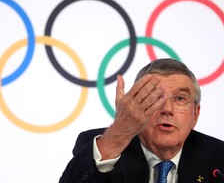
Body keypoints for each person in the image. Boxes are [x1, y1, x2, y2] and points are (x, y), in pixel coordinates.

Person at [58, 58, 224, 183]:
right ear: (135, 106)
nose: (167, 109)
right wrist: (118, 134)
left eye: (180, 98)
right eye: (155, 97)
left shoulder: (218, 157)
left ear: (196, 114)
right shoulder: (104, 147)